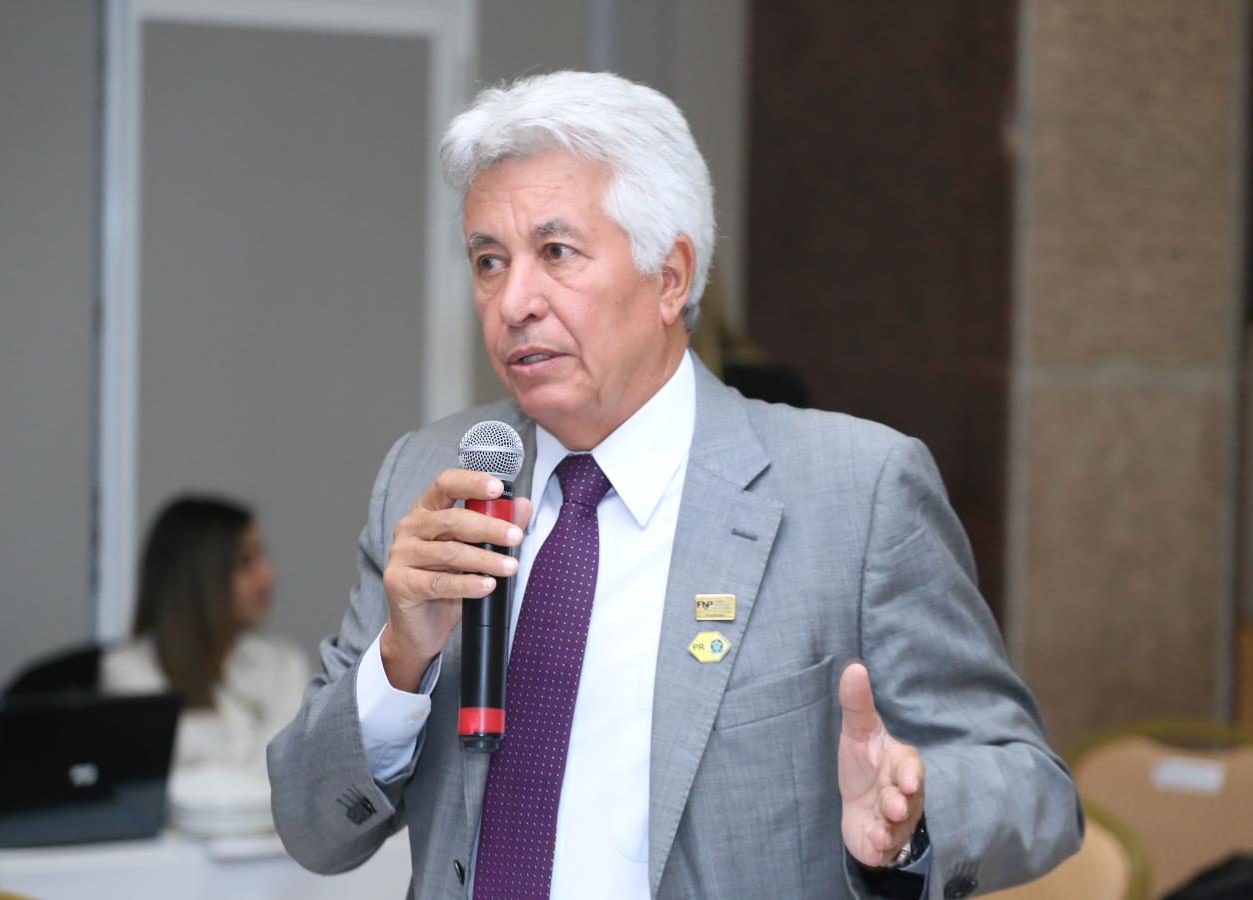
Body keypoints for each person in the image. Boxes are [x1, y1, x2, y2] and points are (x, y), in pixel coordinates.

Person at [268, 71, 1081, 899]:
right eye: (489, 261)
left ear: (670, 277)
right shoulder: (430, 479)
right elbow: (310, 826)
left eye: (556, 253)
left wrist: (915, 818)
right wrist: (400, 659)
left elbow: (1034, 789)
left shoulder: (856, 492)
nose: (513, 302)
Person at [103, 495, 311, 774]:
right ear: (197, 575)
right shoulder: (130, 671)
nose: (268, 576)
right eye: (246, 562)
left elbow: (298, 769)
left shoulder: (284, 662)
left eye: (263, 557)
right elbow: (162, 780)